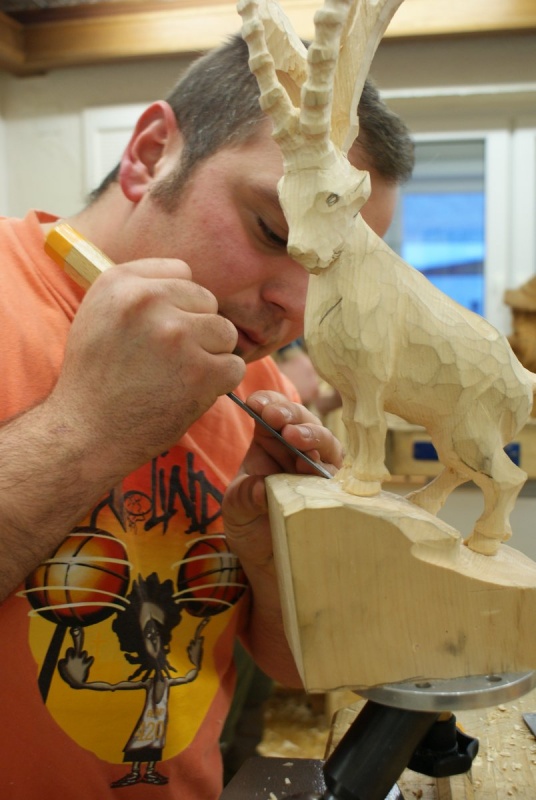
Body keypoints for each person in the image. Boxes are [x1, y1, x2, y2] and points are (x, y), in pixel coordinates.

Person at [0, 33, 413, 800]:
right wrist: (86, 428)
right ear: (150, 154)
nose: (297, 307)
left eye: (333, 274)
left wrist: (272, 558)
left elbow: (290, 664)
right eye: (273, 233)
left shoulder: (256, 384)